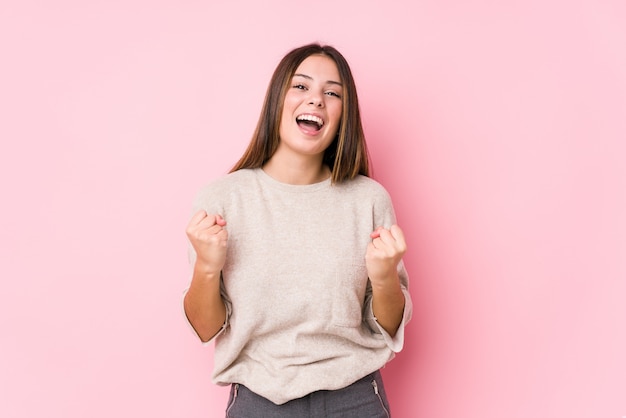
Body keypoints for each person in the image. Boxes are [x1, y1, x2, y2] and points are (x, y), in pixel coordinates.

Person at [183, 43, 412, 417]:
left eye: (332, 93)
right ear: (278, 100)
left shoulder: (368, 200)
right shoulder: (222, 199)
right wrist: (206, 268)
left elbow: (387, 325)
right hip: (259, 402)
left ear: (343, 114)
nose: (317, 100)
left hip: (354, 400)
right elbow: (207, 329)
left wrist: (386, 277)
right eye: (301, 86)